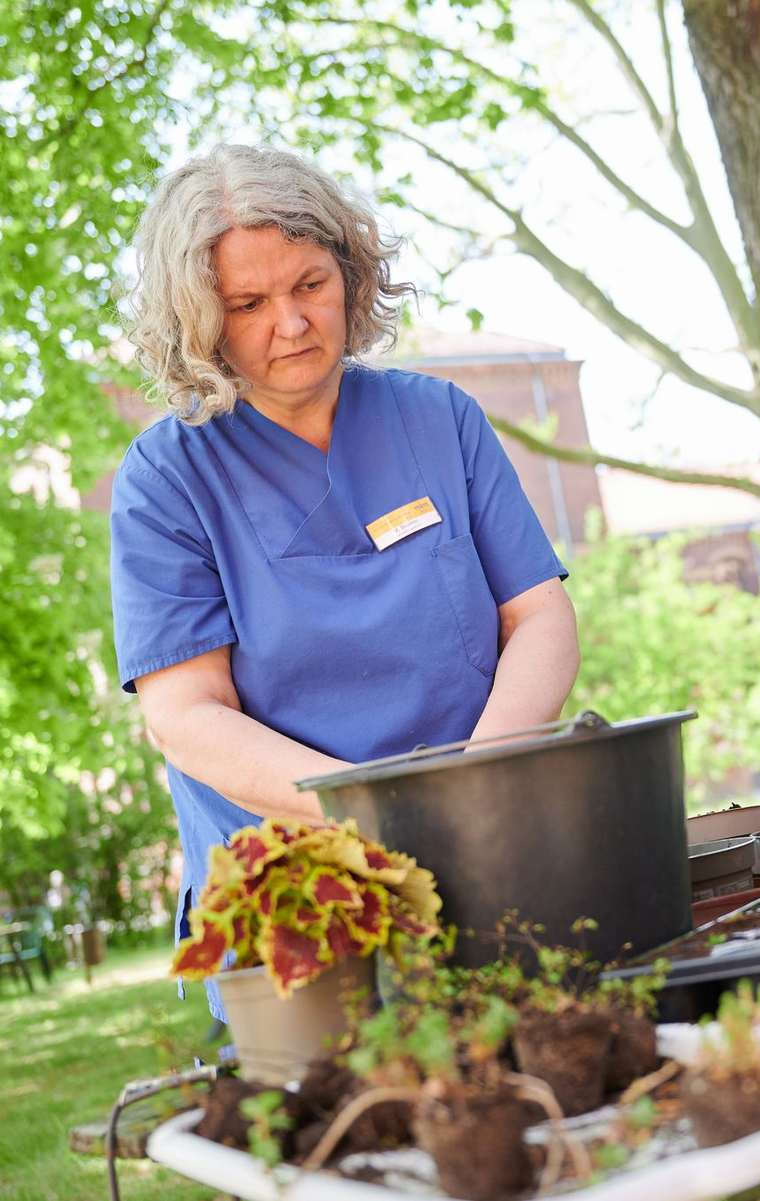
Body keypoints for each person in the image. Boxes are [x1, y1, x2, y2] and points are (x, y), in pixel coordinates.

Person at [111, 144, 580, 1019]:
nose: (291, 323)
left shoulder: (440, 418)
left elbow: (540, 617)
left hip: (490, 851)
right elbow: (187, 714)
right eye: (249, 303)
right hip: (303, 905)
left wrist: (471, 787)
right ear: (199, 319)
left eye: (310, 284)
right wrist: (378, 815)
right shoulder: (167, 478)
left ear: (352, 275)